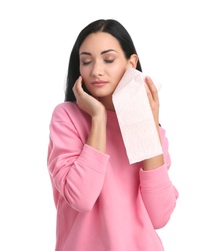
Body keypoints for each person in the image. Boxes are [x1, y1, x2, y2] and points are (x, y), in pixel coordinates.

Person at [47, 19, 179, 251]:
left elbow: (159, 216)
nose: (96, 70)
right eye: (86, 61)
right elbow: (81, 198)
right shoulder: (66, 117)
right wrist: (98, 118)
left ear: (131, 63)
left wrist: (148, 129)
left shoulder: (152, 130)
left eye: (108, 59)